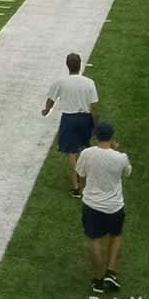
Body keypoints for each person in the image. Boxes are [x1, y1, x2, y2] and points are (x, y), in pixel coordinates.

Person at [77, 122, 130, 293]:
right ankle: (111, 272)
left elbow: (81, 175)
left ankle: (98, 280)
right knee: (116, 236)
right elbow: (126, 172)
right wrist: (115, 151)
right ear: (111, 137)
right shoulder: (121, 157)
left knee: (95, 241)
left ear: (95, 136)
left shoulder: (86, 153)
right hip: (114, 206)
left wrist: (84, 190)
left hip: (92, 205)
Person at [41, 53, 98, 197]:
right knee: (85, 148)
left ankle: (76, 186)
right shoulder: (89, 82)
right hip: (85, 118)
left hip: (69, 119)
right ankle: (87, 181)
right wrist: (96, 123)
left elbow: (51, 99)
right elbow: (95, 106)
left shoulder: (61, 82)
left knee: (72, 153)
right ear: (80, 65)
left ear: (67, 65)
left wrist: (47, 110)